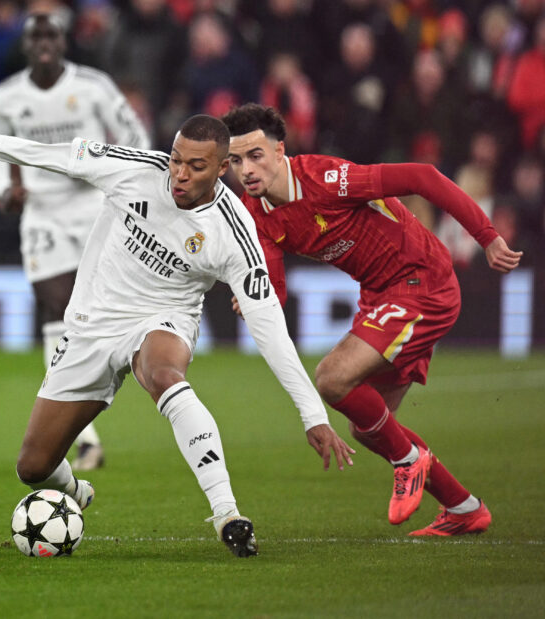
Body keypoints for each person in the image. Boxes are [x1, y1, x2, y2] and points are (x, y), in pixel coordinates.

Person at [0, 114, 353, 558]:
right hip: (92, 324)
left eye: (196, 166)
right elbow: (45, 155)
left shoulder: (233, 232)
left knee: (165, 375)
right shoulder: (134, 169)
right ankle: (77, 491)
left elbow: (270, 330)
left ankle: (228, 514)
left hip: (164, 318)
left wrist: (311, 414)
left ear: (223, 168)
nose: (180, 174)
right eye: (176, 160)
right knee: (33, 467)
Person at [222, 103, 522, 536]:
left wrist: (486, 236)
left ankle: (409, 462)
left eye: (255, 156)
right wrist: (255, 297)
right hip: (381, 296)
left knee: (332, 377)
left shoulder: (327, 178)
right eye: (235, 161)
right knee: (368, 427)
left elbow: (422, 177)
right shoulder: (253, 213)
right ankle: (464, 508)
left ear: (280, 150)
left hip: (422, 282)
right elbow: (277, 290)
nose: (246, 170)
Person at [0, 12, 151, 470]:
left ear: (63, 41)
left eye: (51, 35)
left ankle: (117, 387)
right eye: (35, 35)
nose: (44, 43)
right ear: (25, 45)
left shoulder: (93, 86)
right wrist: (4, 188)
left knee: (99, 311)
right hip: (42, 212)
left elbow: (133, 132)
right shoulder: (7, 96)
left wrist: (129, 178)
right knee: (55, 309)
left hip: (96, 205)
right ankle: (85, 439)